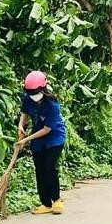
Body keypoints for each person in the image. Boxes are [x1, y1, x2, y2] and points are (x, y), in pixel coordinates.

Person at [18, 70, 68, 215]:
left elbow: (47, 129)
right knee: (39, 169)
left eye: (35, 92)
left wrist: (27, 139)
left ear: (43, 88)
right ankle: (45, 203)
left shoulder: (52, 104)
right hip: (37, 139)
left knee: (49, 166)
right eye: (30, 92)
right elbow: (24, 113)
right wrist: (21, 125)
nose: (33, 95)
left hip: (54, 137)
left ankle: (57, 200)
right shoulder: (27, 98)